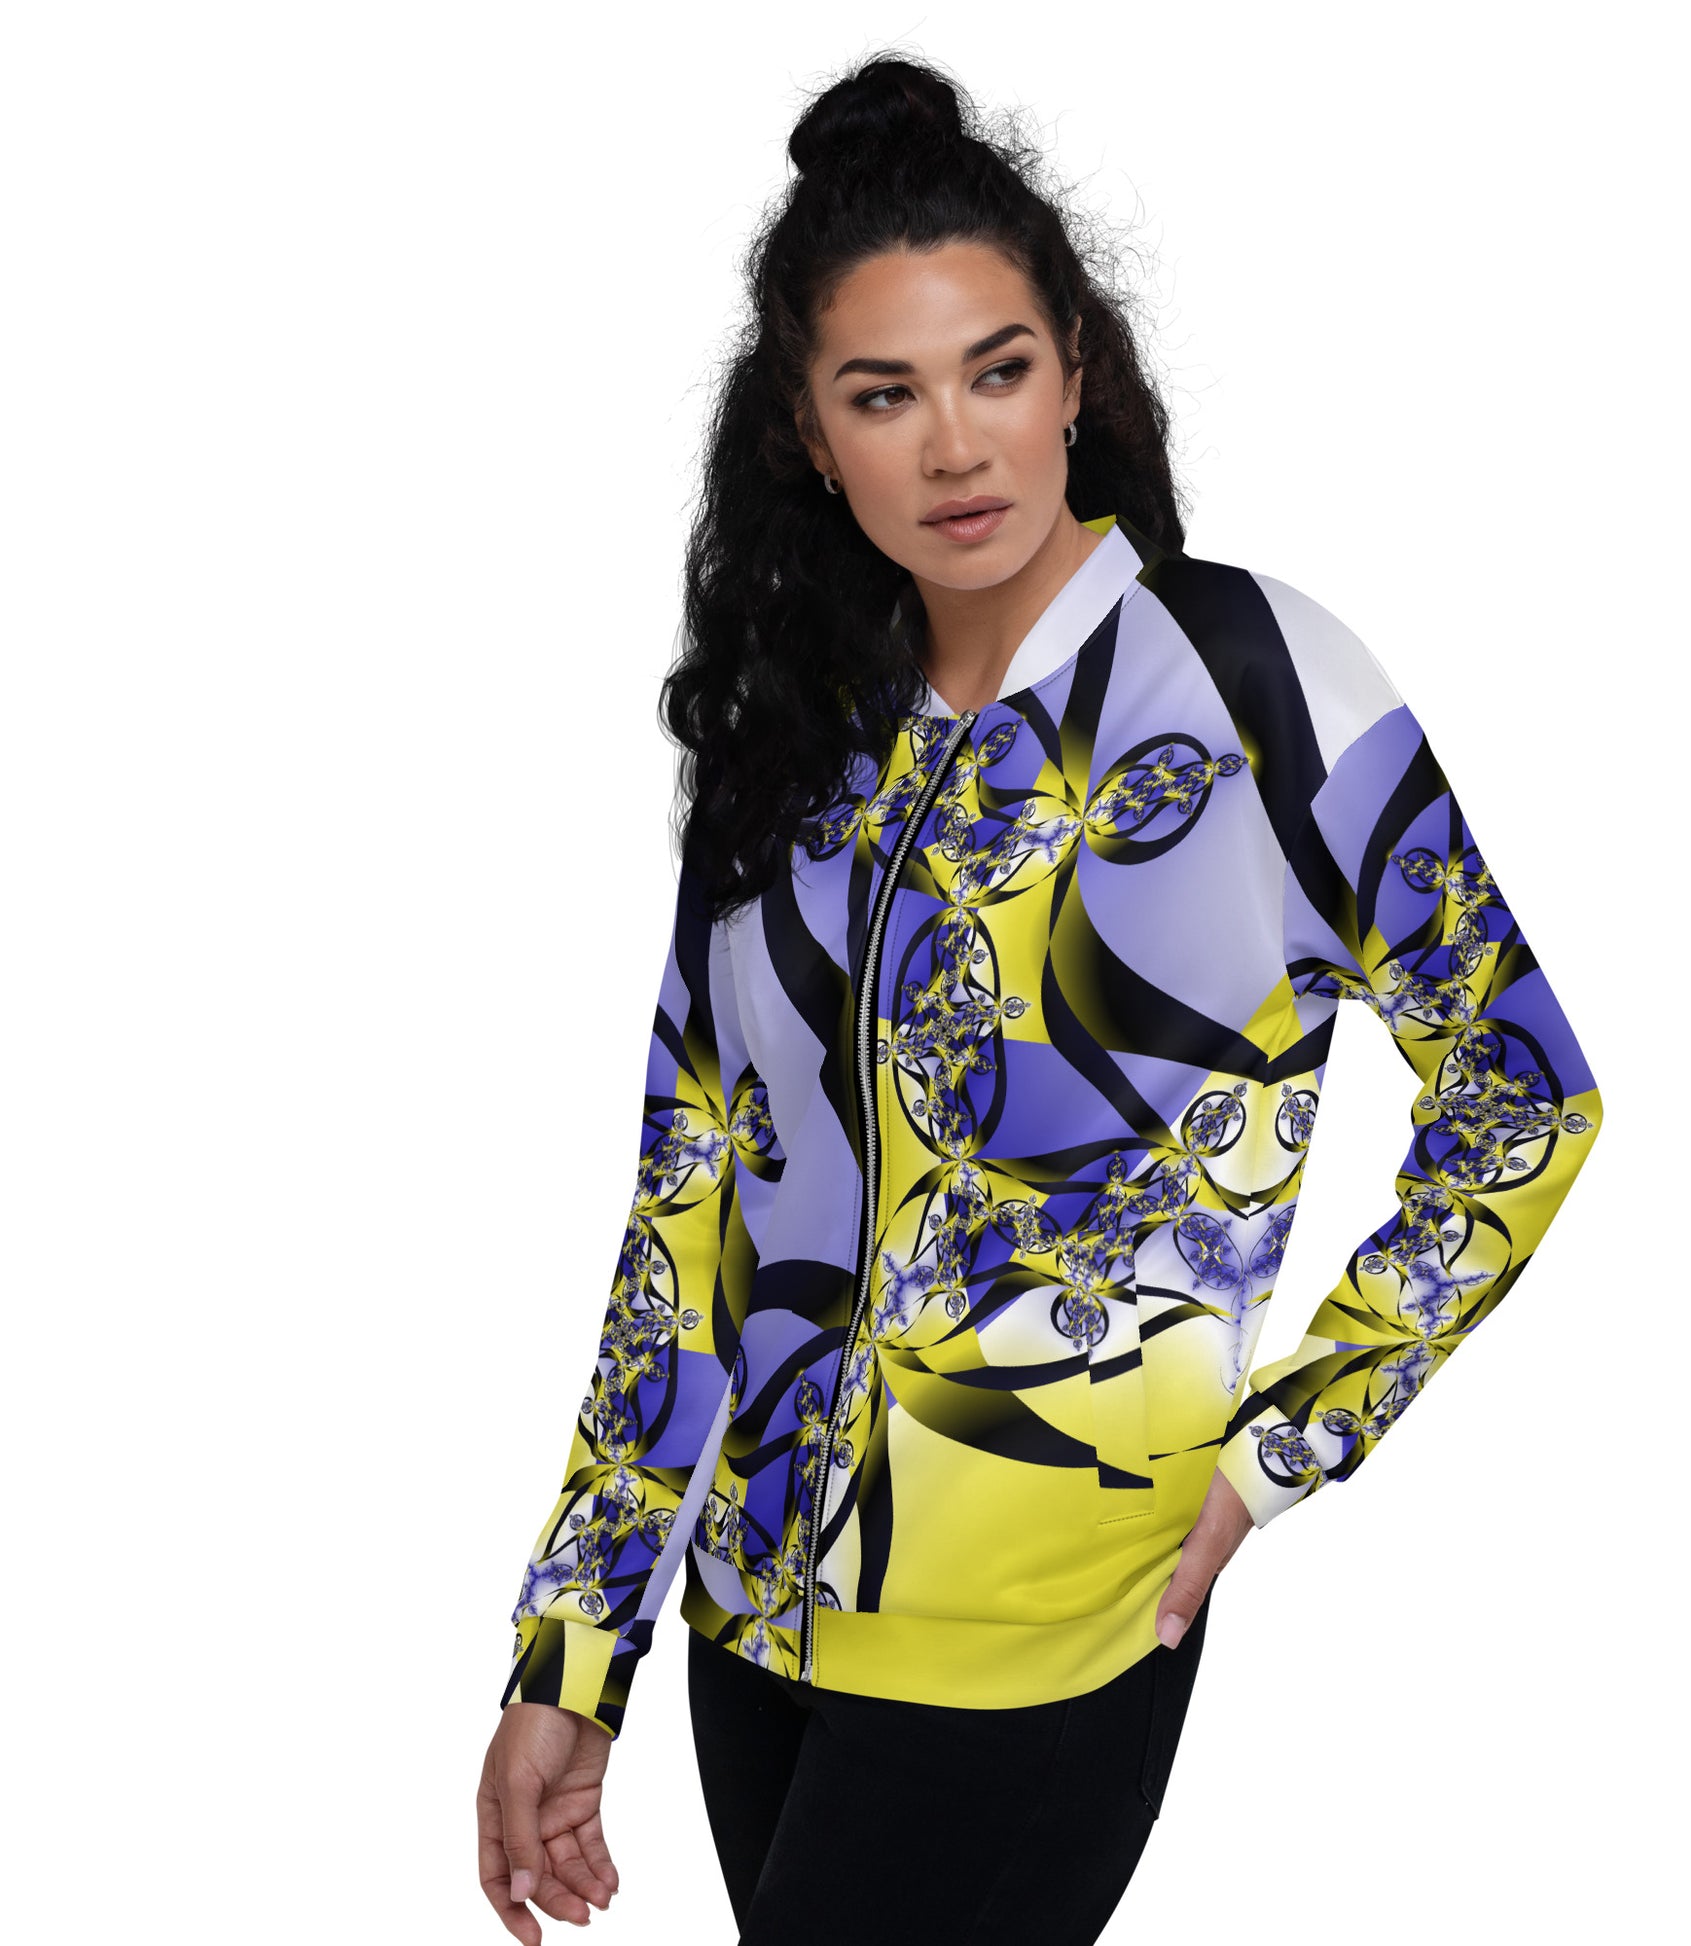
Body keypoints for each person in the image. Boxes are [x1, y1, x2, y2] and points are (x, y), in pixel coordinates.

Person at [476, 50, 1605, 1946]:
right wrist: (574, 1644)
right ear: (807, 436)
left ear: (1074, 371)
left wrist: (1284, 1442)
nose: (953, 446)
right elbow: (692, 1203)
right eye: (883, 394)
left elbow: (1524, 1089)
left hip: (1043, 1639)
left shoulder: (1253, 685)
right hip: (752, 1634)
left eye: (995, 370)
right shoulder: (790, 738)